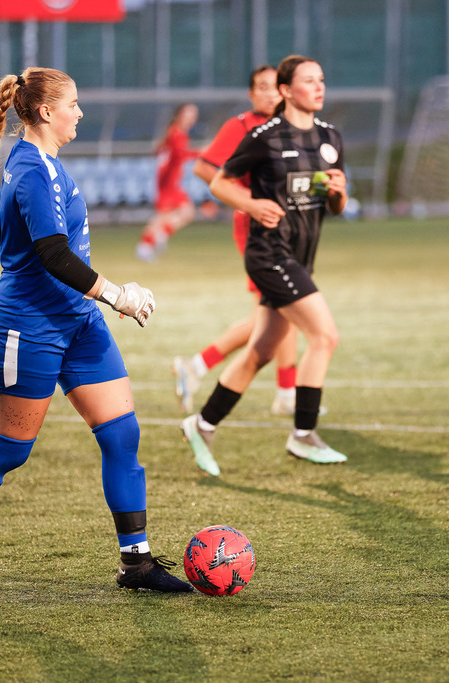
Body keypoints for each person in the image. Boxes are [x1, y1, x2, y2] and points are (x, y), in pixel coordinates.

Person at [0, 67, 191, 593]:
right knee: (10, 450)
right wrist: (117, 295)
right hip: (27, 328)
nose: (79, 112)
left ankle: (136, 562)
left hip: (78, 323)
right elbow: (53, 254)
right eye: (73, 104)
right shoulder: (32, 169)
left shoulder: (43, 163)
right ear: (45, 111)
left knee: (121, 434)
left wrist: (95, 300)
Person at [180, 55, 348, 477]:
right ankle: (303, 433)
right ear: (287, 90)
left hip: (301, 255)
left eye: (322, 79)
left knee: (260, 352)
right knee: (324, 336)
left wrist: (339, 193)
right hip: (269, 254)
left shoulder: (330, 137)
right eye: (309, 81)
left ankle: (202, 425)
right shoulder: (264, 136)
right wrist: (252, 205)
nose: (319, 86)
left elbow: (335, 207)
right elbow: (219, 182)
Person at [172, 64, 303, 417]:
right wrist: (246, 199)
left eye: (275, 86)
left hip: (286, 227)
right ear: (251, 94)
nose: (270, 93)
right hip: (256, 228)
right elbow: (204, 168)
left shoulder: (288, 126)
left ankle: (200, 367)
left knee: (281, 309)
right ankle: (283, 394)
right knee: (282, 307)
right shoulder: (242, 125)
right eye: (262, 87)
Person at [135, 103, 200, 262]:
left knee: (184, 212)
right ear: (179, 115)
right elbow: (179, 155)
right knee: (164, 216)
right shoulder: (176, 134)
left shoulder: (175, 133)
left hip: (172, 181)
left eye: (194, 115)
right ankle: (145, 246)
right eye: (189, 114)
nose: (192, 119)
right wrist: (200, 153)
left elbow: (162, 152)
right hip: (168, 182)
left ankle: (158, 236)